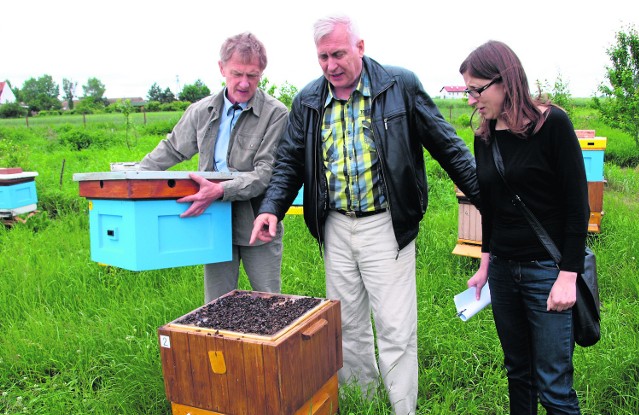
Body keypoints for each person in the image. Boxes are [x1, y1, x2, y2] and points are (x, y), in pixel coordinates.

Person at [250, 14, 480, 415]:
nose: (330, 65)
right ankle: (365, 403)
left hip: (385, 224)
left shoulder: (398, 85)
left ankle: (402, 408)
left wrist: (486, 195)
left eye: (338, 53)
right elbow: (288, 161)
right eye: (322, 57)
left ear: (359, 46)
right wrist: (272, 208)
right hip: (334, 226)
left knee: (395, 327)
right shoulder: (307, 100)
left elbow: (446, 144)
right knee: (348, 327)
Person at [461, 40, 589, 414]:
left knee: (553, 386)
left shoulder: (553, 126)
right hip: (502, 271)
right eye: (468, 90)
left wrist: (568, 275)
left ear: (506, 81)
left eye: (476, 89)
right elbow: (491, 207)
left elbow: (576, 206)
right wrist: (485, 264)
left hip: (546, 273)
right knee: (518, 373)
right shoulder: (485, 136)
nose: (471, 100)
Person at [139, 32, 288, 304]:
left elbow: (265, 172)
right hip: (213, 220)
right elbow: (172, 149)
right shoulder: (202, 111)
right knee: (217, 304)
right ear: (222, 69)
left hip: (257, 220)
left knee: (269, 302)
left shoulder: (275, 114)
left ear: (262, 73)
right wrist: (133, 178)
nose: (244, 83)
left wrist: (219, 190)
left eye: (253, 76)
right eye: (237, 73)